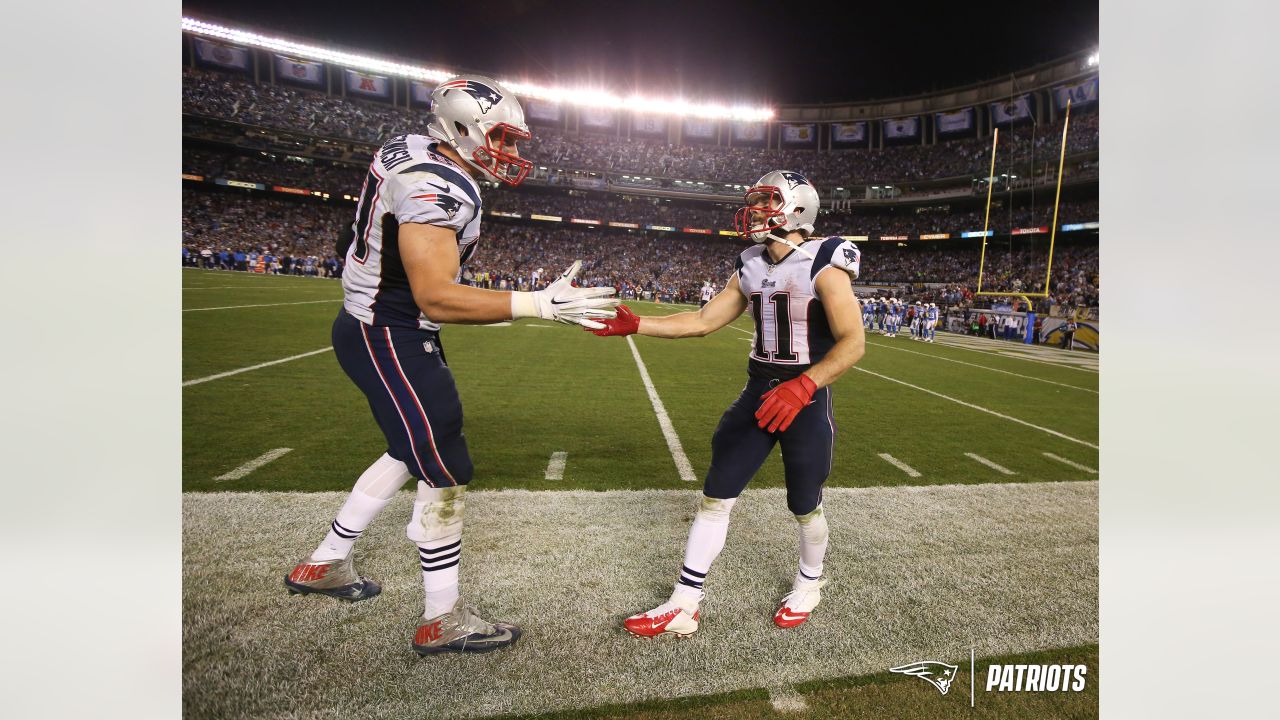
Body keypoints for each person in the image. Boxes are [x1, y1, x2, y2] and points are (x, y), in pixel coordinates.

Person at [283, 75, 618, 656]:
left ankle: (324, 564)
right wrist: (538, 304)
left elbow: (352, 232)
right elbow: (435, 296)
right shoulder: (438, 187)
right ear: (460, 128)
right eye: (502, 139)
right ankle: (442, 619)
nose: (510, 154)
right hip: (392, 334)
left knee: (408, 448)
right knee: (446, 464)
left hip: (371, 325)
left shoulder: (406, 148)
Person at [588, 170, 866, 636]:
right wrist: (639, 325)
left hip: (804, 398)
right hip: (759, 391)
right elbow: (702, 319)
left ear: (797, 208)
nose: (755, 210)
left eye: (766, 202)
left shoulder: (825, 259)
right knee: (716, 497)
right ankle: (683, 603)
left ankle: (810, 583)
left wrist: (804, 386)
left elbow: (853, 342)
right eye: (755, 202)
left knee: (804, 504)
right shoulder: (753, 262)